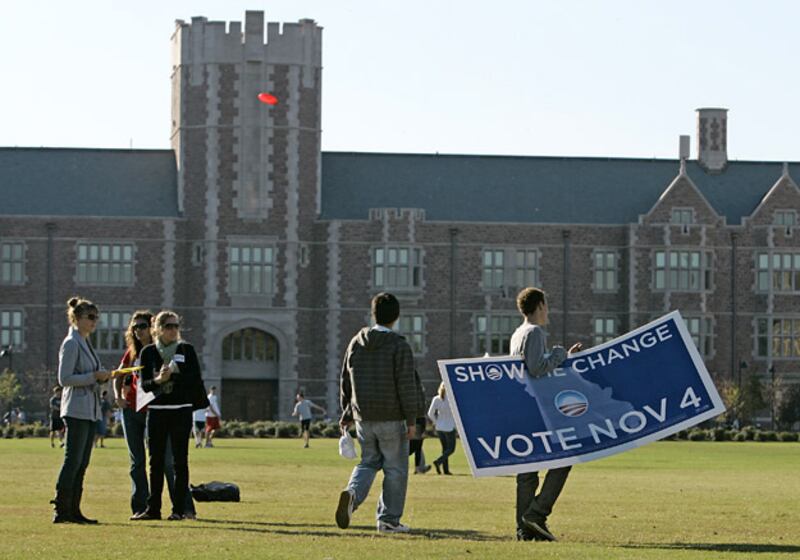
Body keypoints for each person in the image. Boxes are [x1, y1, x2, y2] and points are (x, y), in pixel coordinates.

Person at [335, 292, 418, 534]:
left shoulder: (355, 343)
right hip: (391, 416)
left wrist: (347, 412)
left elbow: (345, 380)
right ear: (396, 317)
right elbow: (406, 384)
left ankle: (352, 493)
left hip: (363, 416)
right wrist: (411, 419)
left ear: (373, 314)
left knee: (368, 462)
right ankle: (388, 520)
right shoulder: (398, 345)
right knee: (395, 469)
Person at [510, 287, 582, 542]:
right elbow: (537, 369)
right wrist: (560, 354)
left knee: (527, 472)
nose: (548, 311)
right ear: (540, 305)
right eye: (546, 305)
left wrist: (564, 358)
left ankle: (525, 530)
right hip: (538, 410)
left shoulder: (517, 333)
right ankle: (536, 514)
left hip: (522, 408)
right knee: (564, 459)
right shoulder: (534, 332)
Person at [114, 310, 196, 520]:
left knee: (169, 462)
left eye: (142, 326)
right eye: (135, 327)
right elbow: (120, 373)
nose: (138, 331)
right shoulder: (134, 352)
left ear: (152, 328)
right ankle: (142, 507)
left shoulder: (163, 350)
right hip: (133, 410)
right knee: (138, 462)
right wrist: (118, 396)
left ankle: (184, 507)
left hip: (156, 410)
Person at [133, 310, 204, 521]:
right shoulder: (148, 352)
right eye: (168, 326)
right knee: (155, 462)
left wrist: (173, 375)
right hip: (157, 412)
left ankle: (179, 510)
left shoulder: (186, 350)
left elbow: (194, 379)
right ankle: (153, 509)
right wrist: (158, 380)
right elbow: (145, 385)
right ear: (158, 329)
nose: (173, 330)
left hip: (181, 410)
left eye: (176, 326)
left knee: (180, 462)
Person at [51, 296, 111, 524]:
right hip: (76, 409)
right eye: (90, 317)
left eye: (96, 317)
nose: (94, 321)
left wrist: (102, 376)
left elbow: (90, 374)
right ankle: (61, 509)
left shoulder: (85, 342)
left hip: (90, 409)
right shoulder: (71, 343)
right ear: (76, 318)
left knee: (82, 462)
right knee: (73, 461)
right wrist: (93, 376)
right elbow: (64, 378)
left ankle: (74, 510)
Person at [427, 382, 457, 475]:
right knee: (451, 449)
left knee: (445, 449)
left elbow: (430, 413)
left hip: (439, 427)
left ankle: (445, 470)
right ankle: (438, 461)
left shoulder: (436, 398)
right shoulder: (453, 398)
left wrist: (436, 422)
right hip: (450, 427)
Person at [409, 371, 431, 474]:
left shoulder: (412, 391)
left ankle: (419, 467)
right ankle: (419, 467)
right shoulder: (419, 391)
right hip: (418, 419)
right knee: (415, 446)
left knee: (416, 446)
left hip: (415, 419)